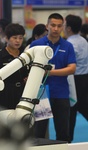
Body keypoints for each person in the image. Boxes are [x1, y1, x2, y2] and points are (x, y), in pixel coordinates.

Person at [30, 13, 76, 142]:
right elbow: (29, 67)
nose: (56, 29)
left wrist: (50, 72)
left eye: (59, 26)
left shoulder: (68, 46)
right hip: (40, 94)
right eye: (53, 25)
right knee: (39, 132)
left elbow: (72, 69)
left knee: (62, 132)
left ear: (63, 27)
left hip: (61, 93)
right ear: (47, 26)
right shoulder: (36, 44)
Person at [0, 23, 29, 110]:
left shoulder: (26, 54)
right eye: (14, 38)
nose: (18, 41)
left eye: (20, 38)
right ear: (7, 38)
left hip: (23, 93)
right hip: (5, 93)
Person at [64, 14, 88, 143]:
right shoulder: (83, 40)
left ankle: (68, 139)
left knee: (71, 109)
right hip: (85, 77)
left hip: (74, 79)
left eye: (63, 24)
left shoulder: (70, 43)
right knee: (83, 107)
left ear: (68, 28)